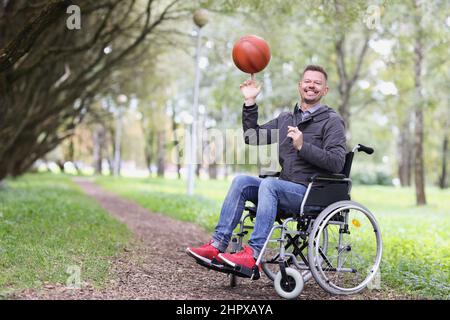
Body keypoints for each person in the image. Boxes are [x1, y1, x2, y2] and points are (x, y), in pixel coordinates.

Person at [186, 64, 346, 274]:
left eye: (317, 83)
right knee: (241, 181)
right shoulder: (286, 119)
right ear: (300, 86)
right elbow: (252, 137)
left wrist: (303, 146)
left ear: (325, 90)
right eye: (308, 81)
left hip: (311, 193)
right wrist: (250, 101)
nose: (312, 86)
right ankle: (216, 246)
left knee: (270, 184)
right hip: (284, 189)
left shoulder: (332, 121)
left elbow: (336, 162)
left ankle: (252, 256)